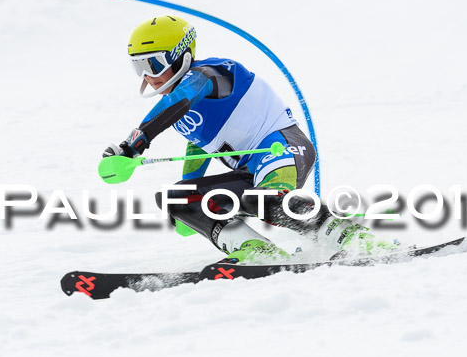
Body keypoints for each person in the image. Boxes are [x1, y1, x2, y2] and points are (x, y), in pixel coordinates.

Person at [103, 15, 389, 263]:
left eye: (153, 64)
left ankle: (353, 237)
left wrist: (133, 145)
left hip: (285, 148)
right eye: (138, 67)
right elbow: (197, 145)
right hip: (250, 170)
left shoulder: (209, 74)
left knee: (262, 200)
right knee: (175, 198)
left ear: (182, 56)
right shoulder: (180, 106)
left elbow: (181, 99)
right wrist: (188, 206)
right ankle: (255, 250)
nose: (147, 76)